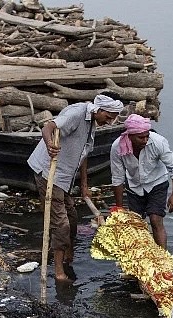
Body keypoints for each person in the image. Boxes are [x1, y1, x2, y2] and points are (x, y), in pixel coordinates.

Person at [28, 93, 123, 282]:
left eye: (113, 118)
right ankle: (59, 272)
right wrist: (50, 145)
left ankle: (68, 254)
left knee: (72, 217)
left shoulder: (92, 123)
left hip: (65, 177)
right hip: (49, 172)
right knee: (61, 224)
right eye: (108, 117)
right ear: (99, 109)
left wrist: (84, 185)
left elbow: (83, 153)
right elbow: (48, 127)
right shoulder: (77, 114)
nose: (110, 122)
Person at [109, 114, 173, 249]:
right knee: (137, 224)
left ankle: (162, 256)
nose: (145, 140)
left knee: (155, 219)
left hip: (157, 183)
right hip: (134, 186)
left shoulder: (158, 142)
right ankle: (143, 255)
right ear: (130, 136)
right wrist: (119, 208)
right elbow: (117, 178)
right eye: (141, 137)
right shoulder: (117, 147)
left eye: (147, 136)